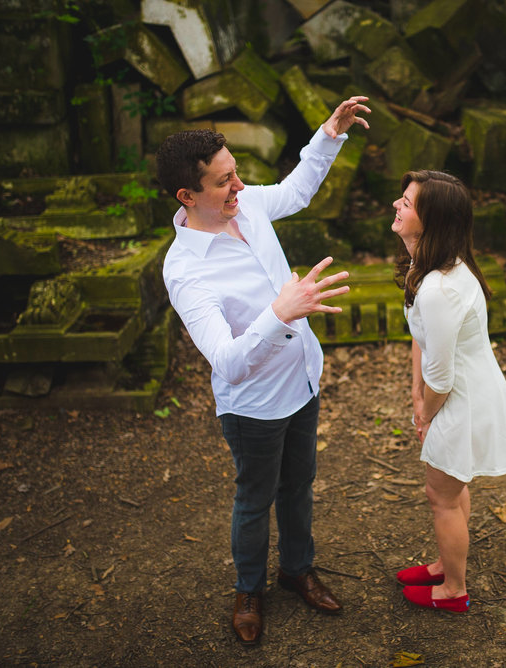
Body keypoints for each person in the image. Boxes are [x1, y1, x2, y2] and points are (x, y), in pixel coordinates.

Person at [156, 96, 370, 644]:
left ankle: (297, 569)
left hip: (301, 379)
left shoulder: (246, 207)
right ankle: (248, 588)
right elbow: (227, 361)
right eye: (225, 182)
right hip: (252, 406)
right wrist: (282, 311)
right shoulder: (184, 271)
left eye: (237, 175)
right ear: (188, 195)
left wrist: (328, 133)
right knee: (254, 498)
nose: (240, 188)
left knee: (299, 484)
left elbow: (296, 190)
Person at [390, 170, 506, 613]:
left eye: (407, 202)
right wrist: (413, 393)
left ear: (433, 220)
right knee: (452, 482)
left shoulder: (439, 288)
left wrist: (425, 412)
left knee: (440, 494)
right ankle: (446, 563)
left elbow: (441, 378)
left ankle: (453, 590)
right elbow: (421, 340)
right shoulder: (428, 266)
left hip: (463, 397)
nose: (396, 206)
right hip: (462, 389)